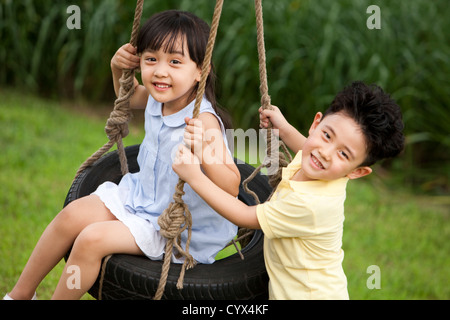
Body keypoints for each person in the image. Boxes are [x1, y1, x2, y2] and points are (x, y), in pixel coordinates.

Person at [4, 10, 240, 300]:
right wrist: (118, 70)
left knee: (91, 240)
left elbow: (232, 185)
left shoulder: (203, 122)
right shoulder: (158, 97)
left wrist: (203, 153)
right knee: (71, 216)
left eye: (175, 62)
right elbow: (127, 100)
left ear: (199, 72)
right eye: (151, 59)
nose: (161, 71)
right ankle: (19, 295)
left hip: (176, 228)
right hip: (142, 198)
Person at [174, 81, 405, 299]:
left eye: (343, 154)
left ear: (356, 172)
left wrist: (196, 177)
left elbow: (243, 215)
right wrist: (284, 129)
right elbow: (308, 147)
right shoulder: (319, 164)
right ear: (316, 124)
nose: (325, 152)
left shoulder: (309, 204)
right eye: (326, 135)